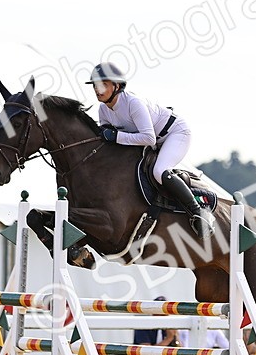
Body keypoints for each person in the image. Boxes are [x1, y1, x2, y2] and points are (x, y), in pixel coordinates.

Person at [86, 63, 214, 237]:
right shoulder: (103, 110)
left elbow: (148, 138)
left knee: (159, 171)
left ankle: (199, 213)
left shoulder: (132, 103)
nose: (97, 89)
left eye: (102, 85)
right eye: (95, 85)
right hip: (151, 141)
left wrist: (116, 136)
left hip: (174, 134)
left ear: (116, 86)